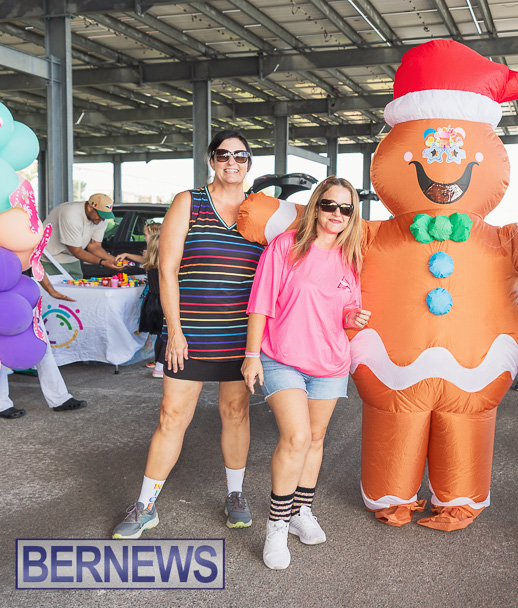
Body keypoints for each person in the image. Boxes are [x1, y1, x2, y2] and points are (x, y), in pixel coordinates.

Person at [111, 129, 264, 539]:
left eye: (241, 156)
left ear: (251, 162)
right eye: (223, 154)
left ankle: (235, 494)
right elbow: (168, 269)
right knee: (171, 416)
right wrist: (175, 331)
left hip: (239, 335)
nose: (232, 162)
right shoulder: (189, 201)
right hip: (191, 333)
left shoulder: (260, 209)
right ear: (211, 160)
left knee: (235, 413)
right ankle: (145, 506)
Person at [241, 176, 370, 570]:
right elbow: (260, 301)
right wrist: (251, 355)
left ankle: (301, 513)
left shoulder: (352, 258)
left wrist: (353, 316)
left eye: (345, 209)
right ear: (316, 206)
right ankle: (276, 526)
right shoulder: (286, 247)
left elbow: (345, 308)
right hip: (282, 357)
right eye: (330, 205)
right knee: (295, 437)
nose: (337, 214)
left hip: (330, 363)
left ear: (352, 216)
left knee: (315, 440)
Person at [0, 274, 86, 418]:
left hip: (25, 296)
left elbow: (35, 262)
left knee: (42, 347)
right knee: (1, 353)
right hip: (4, 302)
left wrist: (50, 289)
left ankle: (60, 398)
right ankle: (2, 404)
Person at [123, 223, 165, 379]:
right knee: (167, 335)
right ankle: (161, 365)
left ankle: (159, 364)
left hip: (152, 301)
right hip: (162, 302)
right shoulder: (163, 263)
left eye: (146, 235)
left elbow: (145, 258)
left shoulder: (152, 260)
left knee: (162, 335)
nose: (144, 237)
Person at [42, 193, 119, 279]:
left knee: (77, 290)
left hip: (72, 258)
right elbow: (76, 251)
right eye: (100, 215)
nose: (103, 219)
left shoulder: (101, 220)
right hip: (51, 257)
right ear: (90, 207)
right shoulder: (71, 214)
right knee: (57, 290)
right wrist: (102, 262)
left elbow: (94, 246)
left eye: (105, 216)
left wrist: (114, 260)